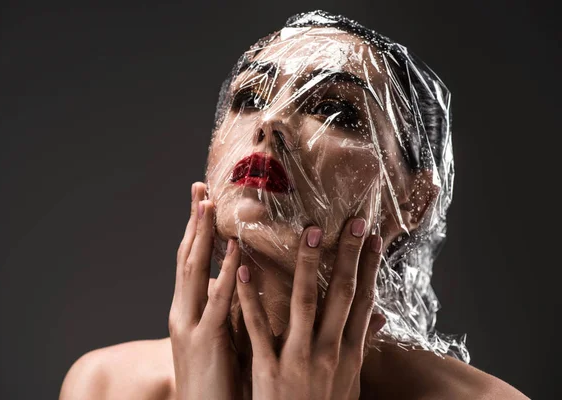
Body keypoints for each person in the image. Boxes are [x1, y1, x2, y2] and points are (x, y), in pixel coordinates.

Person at [59, 10, 529, 400]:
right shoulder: (105, 386)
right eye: (248, 97)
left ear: (413, 200)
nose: (271, 121)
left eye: (333, 109)